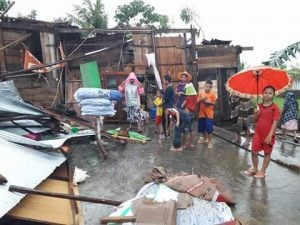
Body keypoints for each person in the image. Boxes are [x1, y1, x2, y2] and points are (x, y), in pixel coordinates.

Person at [245, 85, 280, 179]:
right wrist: (256, 113)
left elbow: (275, 123)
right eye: (265, 92)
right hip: (258, 134)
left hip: (268, 135)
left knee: (267, 153)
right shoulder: (259, 106)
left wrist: (270, 135)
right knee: (253, 151)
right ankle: (255, 168)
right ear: (262, 94)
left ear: (273, 95)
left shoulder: (275, 108)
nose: (267, 95)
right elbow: (254, 120)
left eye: (270, 93)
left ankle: (263, 170)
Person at [197, 80, 217, 149]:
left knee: (209, 128)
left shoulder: (213, 94)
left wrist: (210, 102)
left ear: (211, 88)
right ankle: (205, 139)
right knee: (203, 128)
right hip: (201, 113)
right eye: (206, 86)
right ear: (204, 86)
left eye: (209, 87)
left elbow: (215, 103)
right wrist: (202, 99)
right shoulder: (201, 93)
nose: (207, 88)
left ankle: (210, 142)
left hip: (209, 114)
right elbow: (198, 102)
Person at [181, 82, 197, 148]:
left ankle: (184, 144)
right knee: (191, 130)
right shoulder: (195, 97)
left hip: (187, 114)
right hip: (193, 114)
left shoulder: (187, 98)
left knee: (185, 129)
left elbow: (182, 105)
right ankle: (191, 144)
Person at [161, 74, 175, 139]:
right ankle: (167, 133)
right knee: (166, 120)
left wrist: (160, 103)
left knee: (166, 121)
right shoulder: (169, 88)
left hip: (167, 107)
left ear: (167, 81)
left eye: (164, 80)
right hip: (168, 106)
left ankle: (167, 134)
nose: (163, 81)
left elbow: (166, 99)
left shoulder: (169, 88)